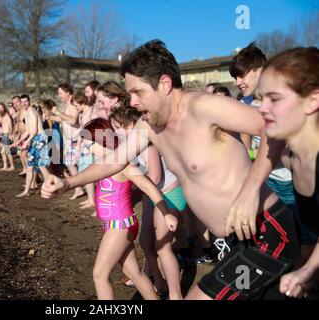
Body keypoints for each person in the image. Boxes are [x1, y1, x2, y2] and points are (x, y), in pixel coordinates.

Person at [42, 39, 299, 300]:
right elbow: (115, 160)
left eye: (137, 92)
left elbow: (275, 127)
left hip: (267, 232)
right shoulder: (149, 127)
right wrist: (68, 183)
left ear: (164, 84)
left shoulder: (203, 107)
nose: (131, 102)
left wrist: (250, 191)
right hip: (236, 241)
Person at [82, 117, 178, 300]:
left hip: (120, 225)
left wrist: (166, 214)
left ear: (102, 142)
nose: (85, 150)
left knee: (99, 275)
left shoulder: (123, 164)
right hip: (114, 225)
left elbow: (150, 187)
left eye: (88, 146)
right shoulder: (103, 164)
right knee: (135, 273)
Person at [257, 47, 319, 299]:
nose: (261, 108)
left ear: (313, 101)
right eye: (261, 98)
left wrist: (308, 271)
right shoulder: (292, 156)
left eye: (274, 98)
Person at [14, 95, 52, 197]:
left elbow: (35, 130)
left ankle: (51, 186)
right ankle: (27, 190)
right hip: (36, 139)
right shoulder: (26, 113)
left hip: (40, 138)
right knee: (30, 166)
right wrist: (20, 140)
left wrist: (27, 142)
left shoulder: (31, 111)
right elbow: (28, 130)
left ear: (29, 101)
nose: (24, 103)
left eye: (26, 101)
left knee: (41, 165)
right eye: (22, 102)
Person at [52, 83, 84, 200]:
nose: (59, 95)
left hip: (75, 140)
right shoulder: (66, 105)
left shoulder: (73, 104)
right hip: (69, 141)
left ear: (68, 93)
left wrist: (57, 112)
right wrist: (50, 117)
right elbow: (62, 119)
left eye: (60, 93)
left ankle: (80, 188)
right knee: (70, 164)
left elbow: (73, 121)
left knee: (76, 165)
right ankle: (79, 188)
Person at [0, 102, 15, 171]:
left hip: (7, 134)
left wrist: (11, 134)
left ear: (4, 108)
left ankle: (12, 166)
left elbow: (10, 126)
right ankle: (5, 166)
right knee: (2, 152)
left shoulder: (7, 115)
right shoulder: (2, 116)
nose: (0, 109)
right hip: (2, 134)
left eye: (1, 107)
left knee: (8, 151)